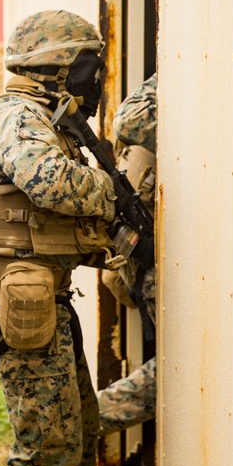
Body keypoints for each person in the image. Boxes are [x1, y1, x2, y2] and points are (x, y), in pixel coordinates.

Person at [0, 10, 137, 466]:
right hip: (16, 302)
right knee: (47, 449)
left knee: (77, 428)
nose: (96, 80)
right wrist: (114, 190)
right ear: (58, 70)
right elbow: (52, 183)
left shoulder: (45, 118)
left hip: (37, 297)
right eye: (89, 67)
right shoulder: (19, 118)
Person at [98, 73, 158, 434]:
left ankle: (80, 418)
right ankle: (82, 420)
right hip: (149, 261)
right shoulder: (184, 78)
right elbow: (130, 119)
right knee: (174, 375)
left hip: (144, 260)